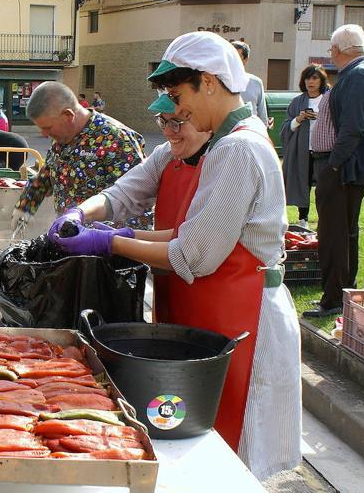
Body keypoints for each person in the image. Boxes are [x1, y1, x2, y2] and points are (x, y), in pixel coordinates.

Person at [49, 31, 300, 479]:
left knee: (226, 453)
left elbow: (195, 253)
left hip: (241, 319)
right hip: (197, 311)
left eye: (178, 96)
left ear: (209, 82)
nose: (176, 111)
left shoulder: (238, 150)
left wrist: (110, 241)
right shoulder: (205, 145)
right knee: (191, 436)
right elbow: (129, 194)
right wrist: (84, 214)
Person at [63, 94, 212, 322]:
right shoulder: (165, 155)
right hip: (171, 292)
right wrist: (80, 212)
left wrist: (112, 240)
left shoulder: (227, 159)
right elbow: (121, 193)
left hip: (220, 302)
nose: (168, 131)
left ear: (205, 119)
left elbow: (192, 246)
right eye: (162, 121)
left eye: (176, 122)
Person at [304, 25, 364, 319]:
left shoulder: (358, 75)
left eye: (331, 50)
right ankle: (343, 293)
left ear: (338, 50)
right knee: (344, 232)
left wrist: (334, 163)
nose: (331, 55)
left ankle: (334, 299)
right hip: (347, 169)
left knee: (334, 234)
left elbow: (354, 128)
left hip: (344, 170)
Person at [10, 82, 144, 232]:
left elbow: (138, 199)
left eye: (48, 128)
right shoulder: (62, 137)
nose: (45, 135)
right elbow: (46, 176)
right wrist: (25, 207)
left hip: (107, 244)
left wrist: (112, 241)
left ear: (68, 115)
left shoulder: (116, 138)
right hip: (69, 238)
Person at [280, 64, 328, 229]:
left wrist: (319, 118)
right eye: (307, 78)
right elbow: (286, 129)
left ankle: (325, 219)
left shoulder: (329, 99)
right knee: (303, 184)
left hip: (324, 151)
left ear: (322, 81)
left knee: (324, 188)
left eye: (314, 78)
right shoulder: (297, 102)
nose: (310, 82)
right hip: (303, 151)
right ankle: (303, 220)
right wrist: (299, 119)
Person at [231, 40, 270, 127]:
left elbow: (262, 116)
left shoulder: (256, 82)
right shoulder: (218, 81)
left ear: (245, 60)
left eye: (236, 57)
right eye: (230, 57)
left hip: (250, 132)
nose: (232, 61)